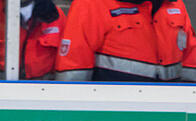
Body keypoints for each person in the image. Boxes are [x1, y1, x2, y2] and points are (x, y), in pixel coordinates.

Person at [55, 0, 196, 81]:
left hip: (170, 110)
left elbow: (191, 58)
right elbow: (73, 68)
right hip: (113, 110)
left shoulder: (175, 4)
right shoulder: (92, 4)